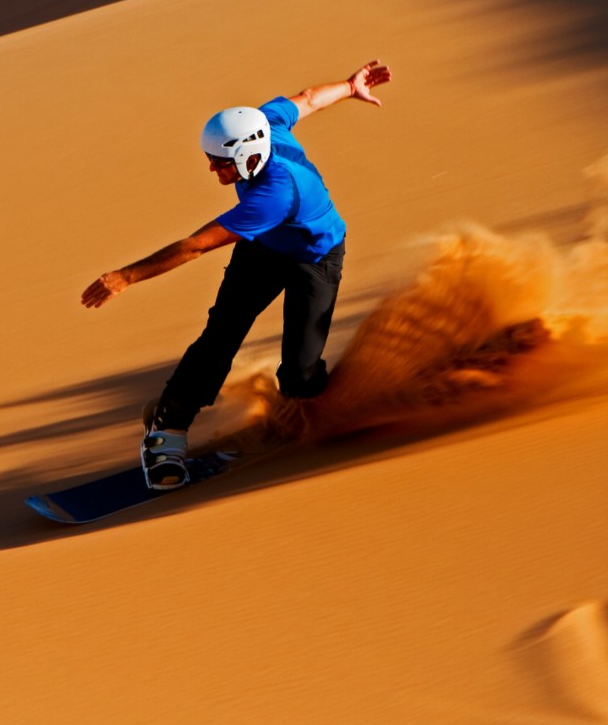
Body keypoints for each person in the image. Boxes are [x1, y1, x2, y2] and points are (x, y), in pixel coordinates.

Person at [81, 59, 393, 488]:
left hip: (316, 258)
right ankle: (167, 428)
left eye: (220, 163)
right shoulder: (263, 124)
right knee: (220, 337)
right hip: (264, 249)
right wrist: (349, 85)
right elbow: (306, 101)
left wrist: (127, 276)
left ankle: (309, 403)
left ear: (248, 155)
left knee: (301, 376)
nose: (213, 170)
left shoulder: (274, 194)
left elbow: (196, 245)